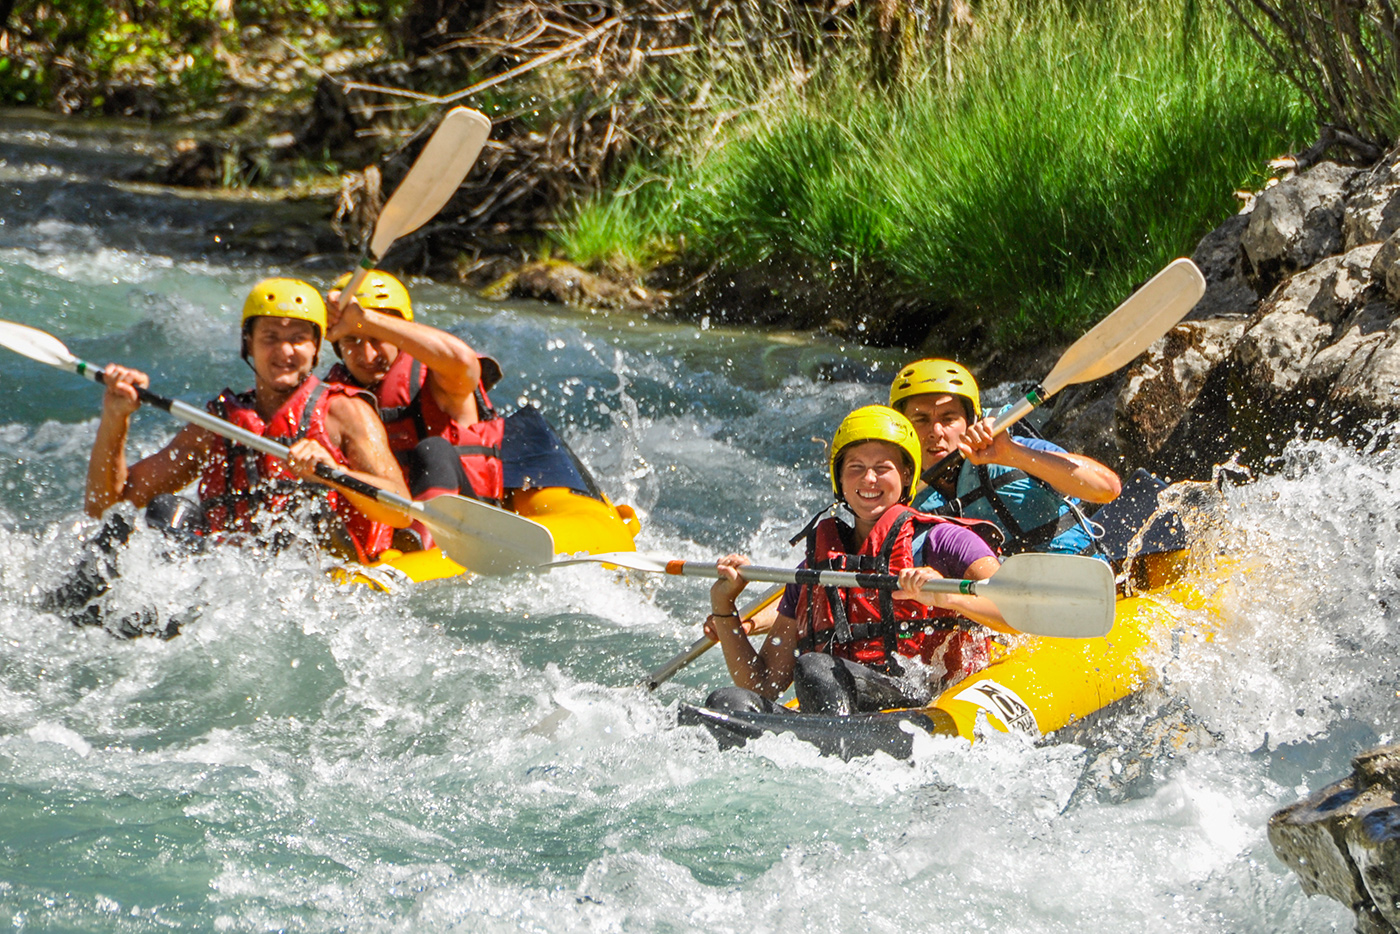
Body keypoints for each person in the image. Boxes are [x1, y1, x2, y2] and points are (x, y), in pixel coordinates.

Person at [702, 406, 1013, 717]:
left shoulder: (941, 541)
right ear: (839, 478)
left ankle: (833, 740)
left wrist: (949, 596)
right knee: (727, 703)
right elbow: (764, 684)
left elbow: (1017, 613)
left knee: (816, 669)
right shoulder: (816, 569)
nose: (869, 478)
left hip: (921, 698)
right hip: (840, 700)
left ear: (906, 475)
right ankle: (830, 737)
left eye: (882, 467)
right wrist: (724, 604)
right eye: (856, 467)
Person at [84, 277, 411, 564]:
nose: (284, 351)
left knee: (298, 520)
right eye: (270, 337)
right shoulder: (217, 424)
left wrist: (336, 475)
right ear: (249, 345)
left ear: (315, 349)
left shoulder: (345, 412)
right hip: (236, 577)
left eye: (298, 338)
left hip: (328, 570)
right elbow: (106, 508)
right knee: (167, 511)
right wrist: (115, 419)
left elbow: (400, 509)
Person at [889, 358, 1121, 557]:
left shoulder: (1011, 450)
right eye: (921, 420)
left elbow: (1107, 488)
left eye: (949, 419)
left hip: (1079, 580)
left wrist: (1013, 454)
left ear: (970, 421)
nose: (936, 432)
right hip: (992, 603)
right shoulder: (897, 488)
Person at [324, 270, 504, 518]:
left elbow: (465, 363)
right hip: (392, 526)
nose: (367, 356)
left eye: (377, 338)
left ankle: (424, 538)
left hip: (468, 523)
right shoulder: (331, 400)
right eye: (352, 340)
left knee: (433, 449)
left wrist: (364, 319)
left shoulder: (439, 378)